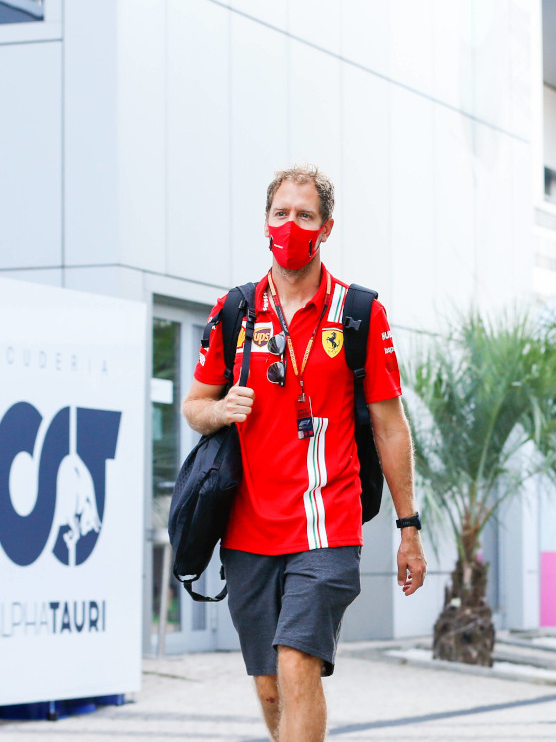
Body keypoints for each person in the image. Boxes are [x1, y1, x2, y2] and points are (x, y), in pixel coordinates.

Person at [182, 165, 427, 742]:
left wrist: (408, 526)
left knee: (297, 664)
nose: (291, 226)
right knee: (270, 687)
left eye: (305, 215)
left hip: (328, 523)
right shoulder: (236, 311)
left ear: (326, 227)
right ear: (266, 223)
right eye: (281, 214)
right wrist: (221, 410)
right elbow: (195, 403)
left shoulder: (359, 313)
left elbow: (392, 428)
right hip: (246, 528)